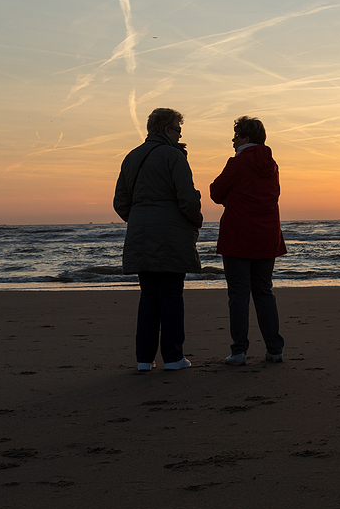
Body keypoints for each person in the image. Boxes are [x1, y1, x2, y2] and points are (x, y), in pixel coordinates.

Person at [113, 108, 202, 372]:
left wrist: (141, 217)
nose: (180, 134)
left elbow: (120, 202)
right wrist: (195, 219)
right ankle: (173, 357)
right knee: (172, 294)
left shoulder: (131, 157)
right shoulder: (173, 156)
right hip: (171, 233)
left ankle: (144, 358)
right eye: (177, 129)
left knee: (149, 296)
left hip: (140, 232)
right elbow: (186, 197)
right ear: (165, 130)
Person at [210, 116, 287, 366]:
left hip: (238, 235)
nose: (232, 140)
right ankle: (274, 348)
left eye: (235, 136)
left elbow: (215, 192)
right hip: (266, 235)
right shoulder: (272, 165)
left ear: (244, 137)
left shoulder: (237, 163)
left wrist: (230, 198)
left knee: (239, 295)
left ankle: (239, 350)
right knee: (264, 291)